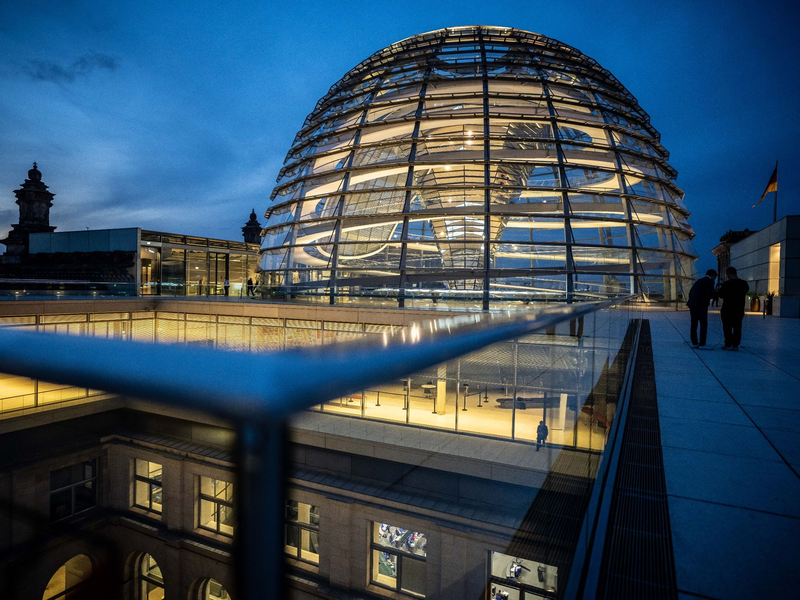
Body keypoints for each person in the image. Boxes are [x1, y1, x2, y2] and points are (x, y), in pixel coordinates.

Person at [718, 266, 749, 350]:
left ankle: (728, 344)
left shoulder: (726, 284)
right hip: (739, 309)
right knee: (737, 328)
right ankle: (735, 345)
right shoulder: (744, 283)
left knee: (727, 327)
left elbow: (721, 295)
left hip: (727, 309)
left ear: (729, 274)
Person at [686, 269, 717, 348]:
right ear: (712, 275)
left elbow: (690, 292)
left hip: (692, 304)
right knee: (703, 324)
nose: (714, 279)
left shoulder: (698, 281)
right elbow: (708, 294)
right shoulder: (710, 281)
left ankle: (694, 342)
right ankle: (702, 343)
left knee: (694, 323)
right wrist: (706, 303)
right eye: (715, 277)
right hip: (701, 305)